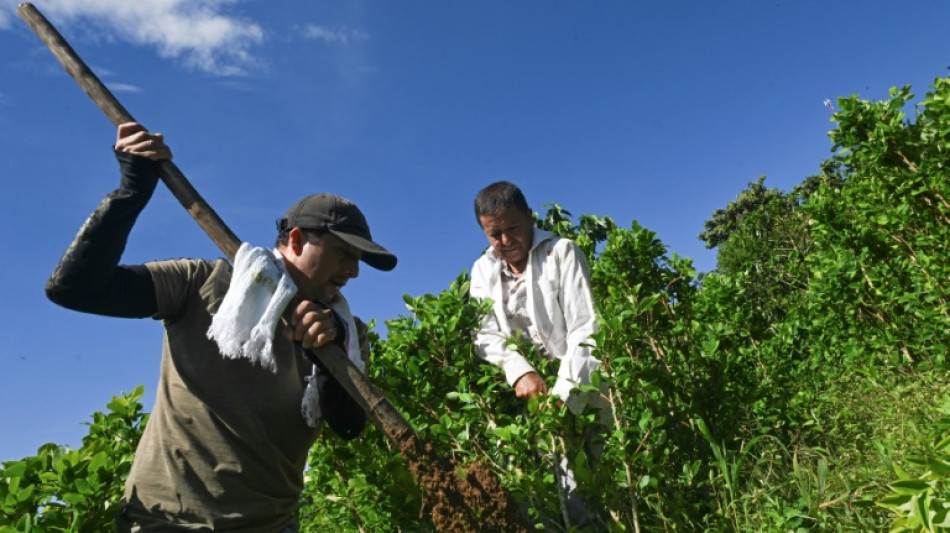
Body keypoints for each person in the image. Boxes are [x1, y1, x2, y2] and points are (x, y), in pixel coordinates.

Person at [45, 122, 396, 532]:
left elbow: (349, 426)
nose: (353, 271)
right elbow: (74, 289)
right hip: (169, 523)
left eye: (359, 260)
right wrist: (131, 192)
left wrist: (329, 355)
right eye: (343, 253)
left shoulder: (344, 332)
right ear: (297, 240)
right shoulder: (202, 284)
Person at [469, 181, 607, 530]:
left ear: (530, 218)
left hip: (578, 388)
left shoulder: (561, 252)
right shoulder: (482, 272)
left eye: (512, 228)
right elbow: (485, 333)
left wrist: (563, 396)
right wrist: (518, 370)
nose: (504, 241)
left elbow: (585, 327)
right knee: (536, 498)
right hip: (522, 400)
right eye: (494, 234)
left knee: (589, 492)